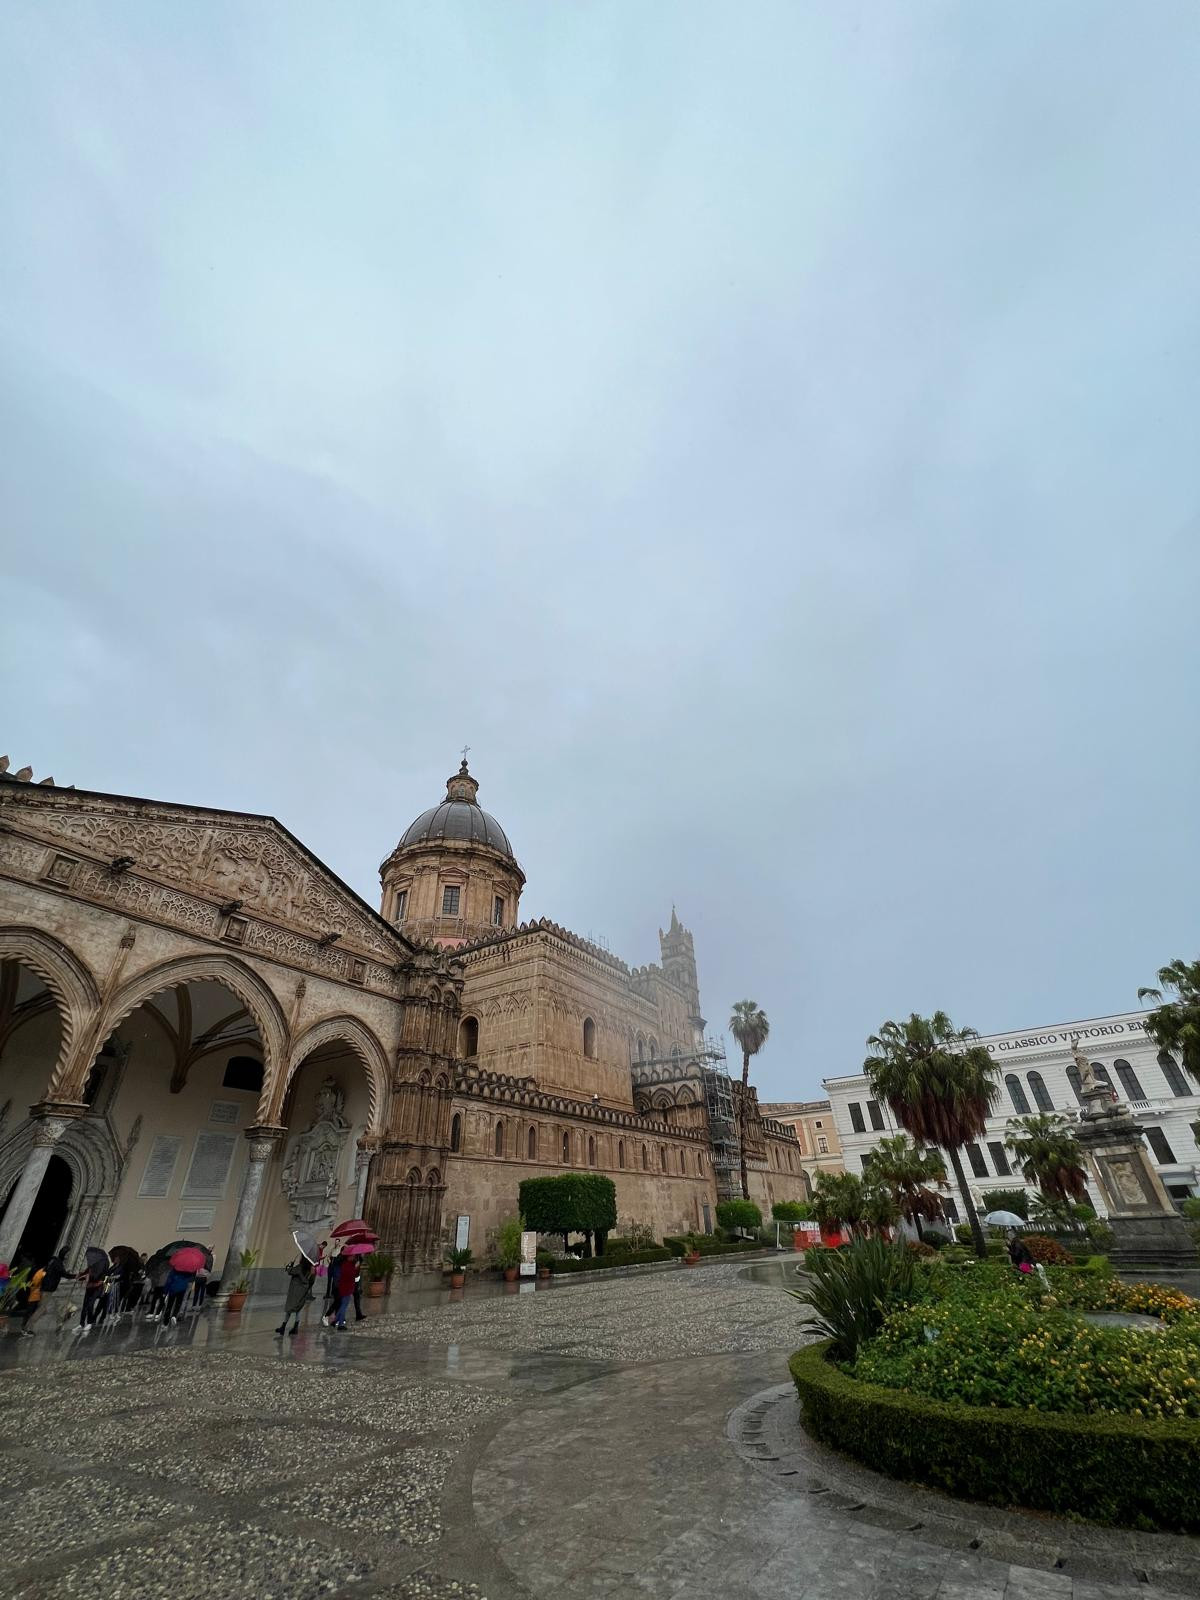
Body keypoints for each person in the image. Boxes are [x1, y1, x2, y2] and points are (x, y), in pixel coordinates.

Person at [275, 1257, 315, 1337]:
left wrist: (290, 1265)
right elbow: (312, 1281)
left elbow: (290, 1271)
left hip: (295, 1290)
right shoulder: (311, 1269)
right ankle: (295, 1328)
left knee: (289, 1308)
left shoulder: (300, 1267)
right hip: (303, 1291)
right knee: (298, 1309)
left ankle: (283, 1327)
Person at [78, 1259, 108, 1333]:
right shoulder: (90, 1267)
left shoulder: (102, 1270)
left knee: (90, 1305)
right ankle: (81, 1323)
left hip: (96, 1290)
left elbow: (101, 1281)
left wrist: (89, 1278)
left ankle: (89, 1322)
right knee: (84, 1306)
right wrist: (81, 1276)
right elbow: (83, 1275)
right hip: (89, 1288)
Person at [332, 1250, 357, 1330]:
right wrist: (355, 1267)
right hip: (347, 1288)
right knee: (344, 1306)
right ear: (348, 1257)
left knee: (343, 1304)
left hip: (344, 1287)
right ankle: (340, 1324)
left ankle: (335, 1321)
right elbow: (351, 1275)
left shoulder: (345, 1264)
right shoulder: (348, 1265)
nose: (353, 1257)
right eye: (352, 1256)